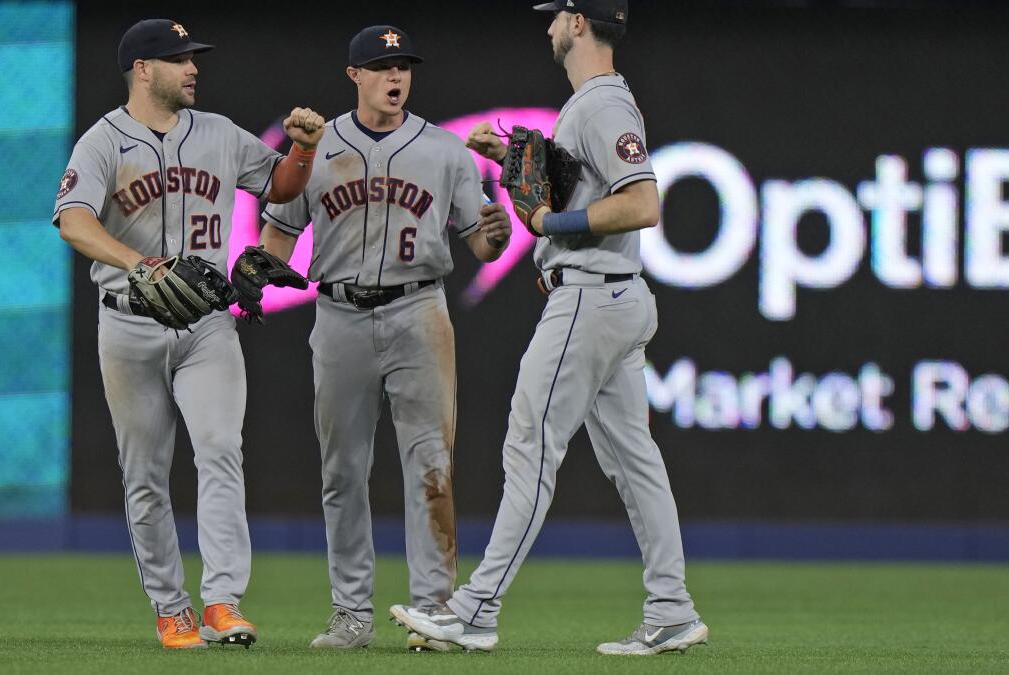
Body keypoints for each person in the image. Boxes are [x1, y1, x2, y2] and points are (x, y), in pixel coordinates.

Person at [390, 1, 708, 656]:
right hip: (613, 296)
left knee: (530, 446)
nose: (548, 26)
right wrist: (512, 153)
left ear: (581, 23)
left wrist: (546, 226)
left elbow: (643, 202)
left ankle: (475, 608)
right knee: (634, 461)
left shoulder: (601, 105)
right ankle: (672, 607)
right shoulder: (596, 103)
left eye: (557, 15)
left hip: (589, 297)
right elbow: (577, 185)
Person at [52, 18, 324, 649]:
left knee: (220, 449)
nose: (193, 68)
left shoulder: (219, 134)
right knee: (145, 472)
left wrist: (303, 148)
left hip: (205, 323)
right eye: (179, 59)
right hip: (128, 321)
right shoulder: (102, 142)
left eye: (193, 57)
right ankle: (170, 608)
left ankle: (223, 601)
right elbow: (72, 221)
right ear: (143, 70)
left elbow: (280, 184)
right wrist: (138, 262)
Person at [259, 24, 512, 652]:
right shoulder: (318, 146)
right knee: (342, 472)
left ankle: (434, 612)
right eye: (381, 66)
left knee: (431, 466)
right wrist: (259, 271)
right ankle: (351, 614)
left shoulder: (446, 150)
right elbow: (278, 237)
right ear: (355, 75)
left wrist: (495, 236)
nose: (395, 77)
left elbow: (478, 240)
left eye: (403, 66)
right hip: (339, 314)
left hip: (418, 311)